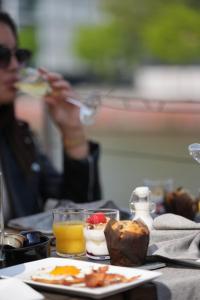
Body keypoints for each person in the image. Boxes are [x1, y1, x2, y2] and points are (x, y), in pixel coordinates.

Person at [0, 12, 101, 223]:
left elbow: (78, 214)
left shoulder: (19, 137)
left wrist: (72, 132)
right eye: (1, 55)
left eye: (18, 55)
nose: (14, 65)